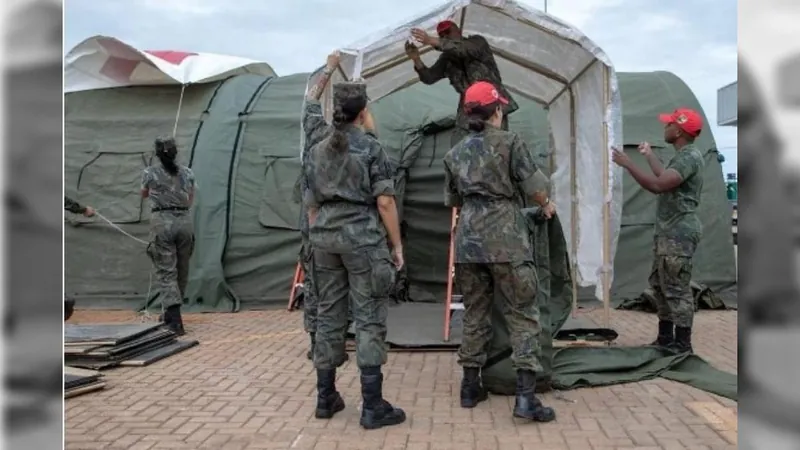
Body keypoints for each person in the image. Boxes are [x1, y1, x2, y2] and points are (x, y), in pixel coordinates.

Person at [301, 53, 406, 429]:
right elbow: (385, 201)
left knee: (328, 315)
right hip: (362, 240)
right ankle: (373, 405)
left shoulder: (316, 149)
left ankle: (325, 396)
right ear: (362, 113)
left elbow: (311, 204)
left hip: (324, 239)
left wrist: (319, 235)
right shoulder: (371, 148)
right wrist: (396, 247)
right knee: (369, 318)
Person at [443, 80, 556, 422]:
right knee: (522, 314)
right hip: (507, 239)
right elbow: (536, 187)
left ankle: (469, 387)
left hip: (468, 241)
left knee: (475, 313)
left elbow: (452, 200)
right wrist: (546, 205)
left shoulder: (454, 153)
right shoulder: (510, 143)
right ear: (497, 110)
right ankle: (525, 399)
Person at [612, 108, 706, 353]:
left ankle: (682, 344)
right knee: (660, 284)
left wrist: (628, 163)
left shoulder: (689, 156)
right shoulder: (683, 155)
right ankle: (666, 339)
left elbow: (658, 185)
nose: (665, 128)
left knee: (676, 289)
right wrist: (649, 155)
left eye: (668, 125)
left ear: (679, 131)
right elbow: (664, 176)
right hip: (668, 232)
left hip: (679, 232)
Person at [294, 52, 349, 362]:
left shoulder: (315, 131)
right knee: (343, 283)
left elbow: (311, 98)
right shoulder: (353, 142)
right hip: (345, 223)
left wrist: (328, 69)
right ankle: (336, 343)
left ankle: (318, 343)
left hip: (314, 221)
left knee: (315, 281)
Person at [405, 21, 518, 147]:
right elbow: (429, 77)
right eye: (441, 35)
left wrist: (431, 40)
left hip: (491, 102)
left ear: (458, 31)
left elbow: (463, 49)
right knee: (460, 146)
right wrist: (416, 59)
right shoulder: (447, 59)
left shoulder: (477, 42)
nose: (445, 36)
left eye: (448, 32)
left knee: (498, 146)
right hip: (468, 107)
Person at [141, 136, 196, 336]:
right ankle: (171, 314)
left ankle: (174, 319)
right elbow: (190, 198)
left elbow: (144, 193)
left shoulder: (150, 172)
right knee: (182, 268)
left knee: (166, 270)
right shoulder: (188, 172)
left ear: (157, 154)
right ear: (175, 152)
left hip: (162, 221)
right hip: (184, 222)